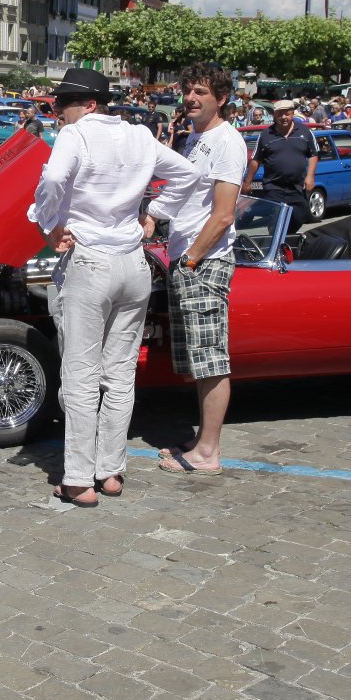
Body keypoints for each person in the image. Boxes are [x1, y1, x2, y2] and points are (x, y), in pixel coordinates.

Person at [33, 68, 198, 508]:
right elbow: (188, 174)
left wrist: (49, 223)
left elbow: (53, 181)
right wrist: (154, 213)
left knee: (81, 373)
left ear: (87, 105)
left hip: (90, 259)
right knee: (121, 373)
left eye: (62, 105)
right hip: (132, 262)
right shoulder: (140, 135)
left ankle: (78, 479)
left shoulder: (76, 134)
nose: (58, 113)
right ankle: (109, 471)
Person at [149, 64, 249, 476]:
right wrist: (154, 215)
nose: (190, 98)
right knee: (199, 359)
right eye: (188, 90)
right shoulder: (195, 137)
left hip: (205, 261)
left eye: (201, 92)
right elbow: (184, 192)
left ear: (221, 98)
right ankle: (202, 440)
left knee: (211, 360)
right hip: (187, 257)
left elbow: (224, 215)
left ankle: (208, 452)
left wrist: (191, 259)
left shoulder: (227, 141)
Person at [241, 100, 317, 233]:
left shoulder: (304, 132)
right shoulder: (266, 135)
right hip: (274, 187)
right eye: (280, 114)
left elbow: (313, 155)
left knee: (299, 216)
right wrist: (248, 182)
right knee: (276, 220)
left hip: (297, 187)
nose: (283, 117)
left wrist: (310, 176)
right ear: (274, 115)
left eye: (287, 114)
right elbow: (256, 159)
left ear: (292, 114)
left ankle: (286, 237)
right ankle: (276, 241)